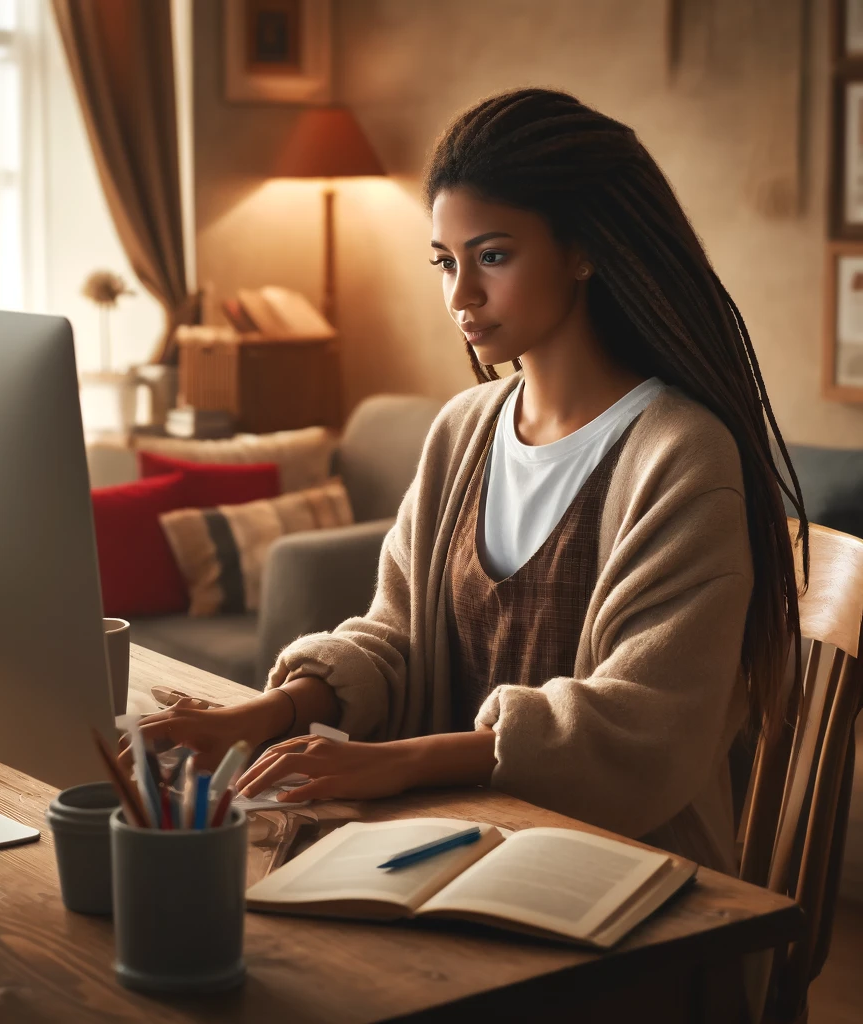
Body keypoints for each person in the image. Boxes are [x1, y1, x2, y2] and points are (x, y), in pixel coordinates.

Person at [128, 89, 808, 872]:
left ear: (583, 250)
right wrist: (265, 713)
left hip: (626, 886)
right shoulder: (463, 430)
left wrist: (404, 762)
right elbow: (394, 641)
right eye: (446, 263)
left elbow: (644, 728)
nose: (461, 296)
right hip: (450, 851)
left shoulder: (680, 453)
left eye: (492, 256)